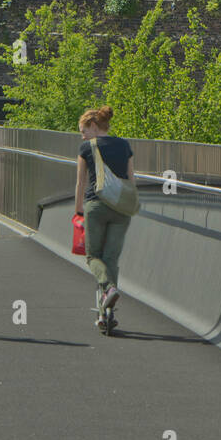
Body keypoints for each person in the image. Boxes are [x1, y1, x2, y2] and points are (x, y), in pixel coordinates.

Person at [75, 105, 134, 327]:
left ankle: (107, 294)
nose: (82, 136)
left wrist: (78, 209)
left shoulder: (86, 148)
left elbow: (81, 182)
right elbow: (131, 178)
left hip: (96, 206)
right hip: (121, 208)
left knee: (93, 257)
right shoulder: (125, 145)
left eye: (83, 130)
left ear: (92, 126)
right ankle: (107, 313)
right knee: (111, 259)